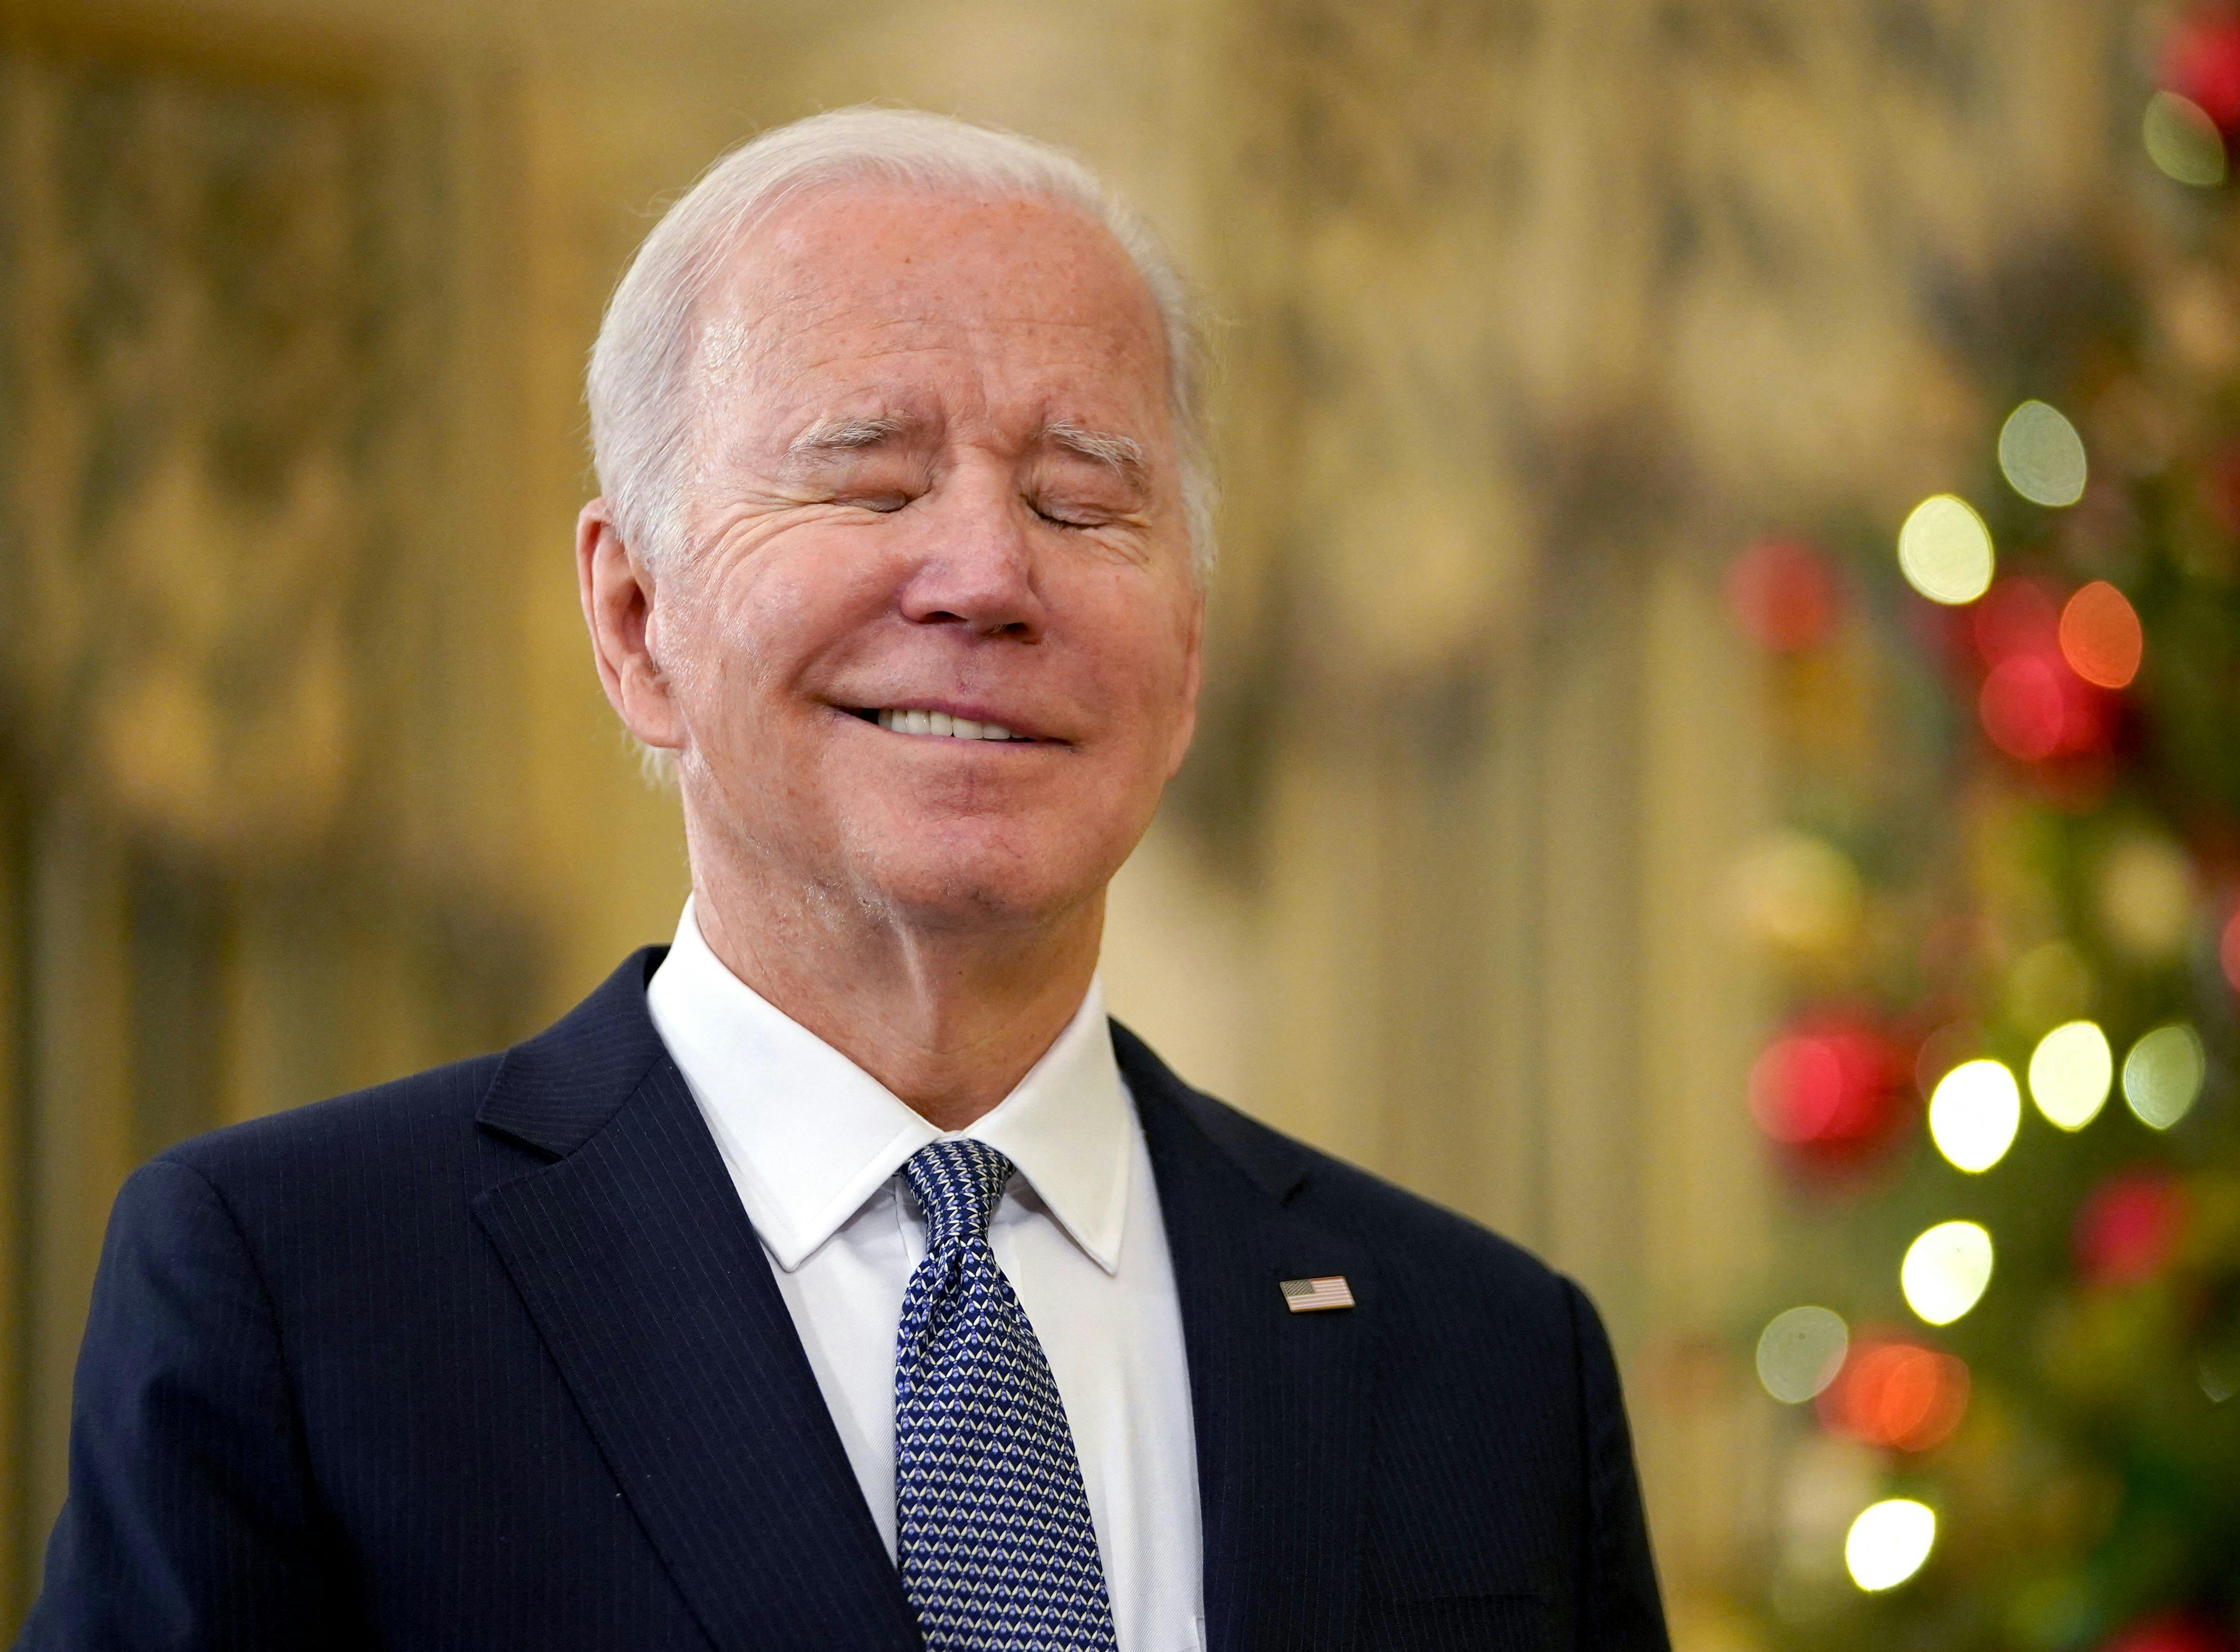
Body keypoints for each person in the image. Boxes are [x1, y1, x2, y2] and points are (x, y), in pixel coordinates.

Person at [18, 108, 1669, 1652]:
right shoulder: (301, 1294)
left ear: (1184, 661)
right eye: (868, 480)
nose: (983, 576)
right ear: (635, 619)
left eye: (1081, 502)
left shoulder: (1488, 1359)